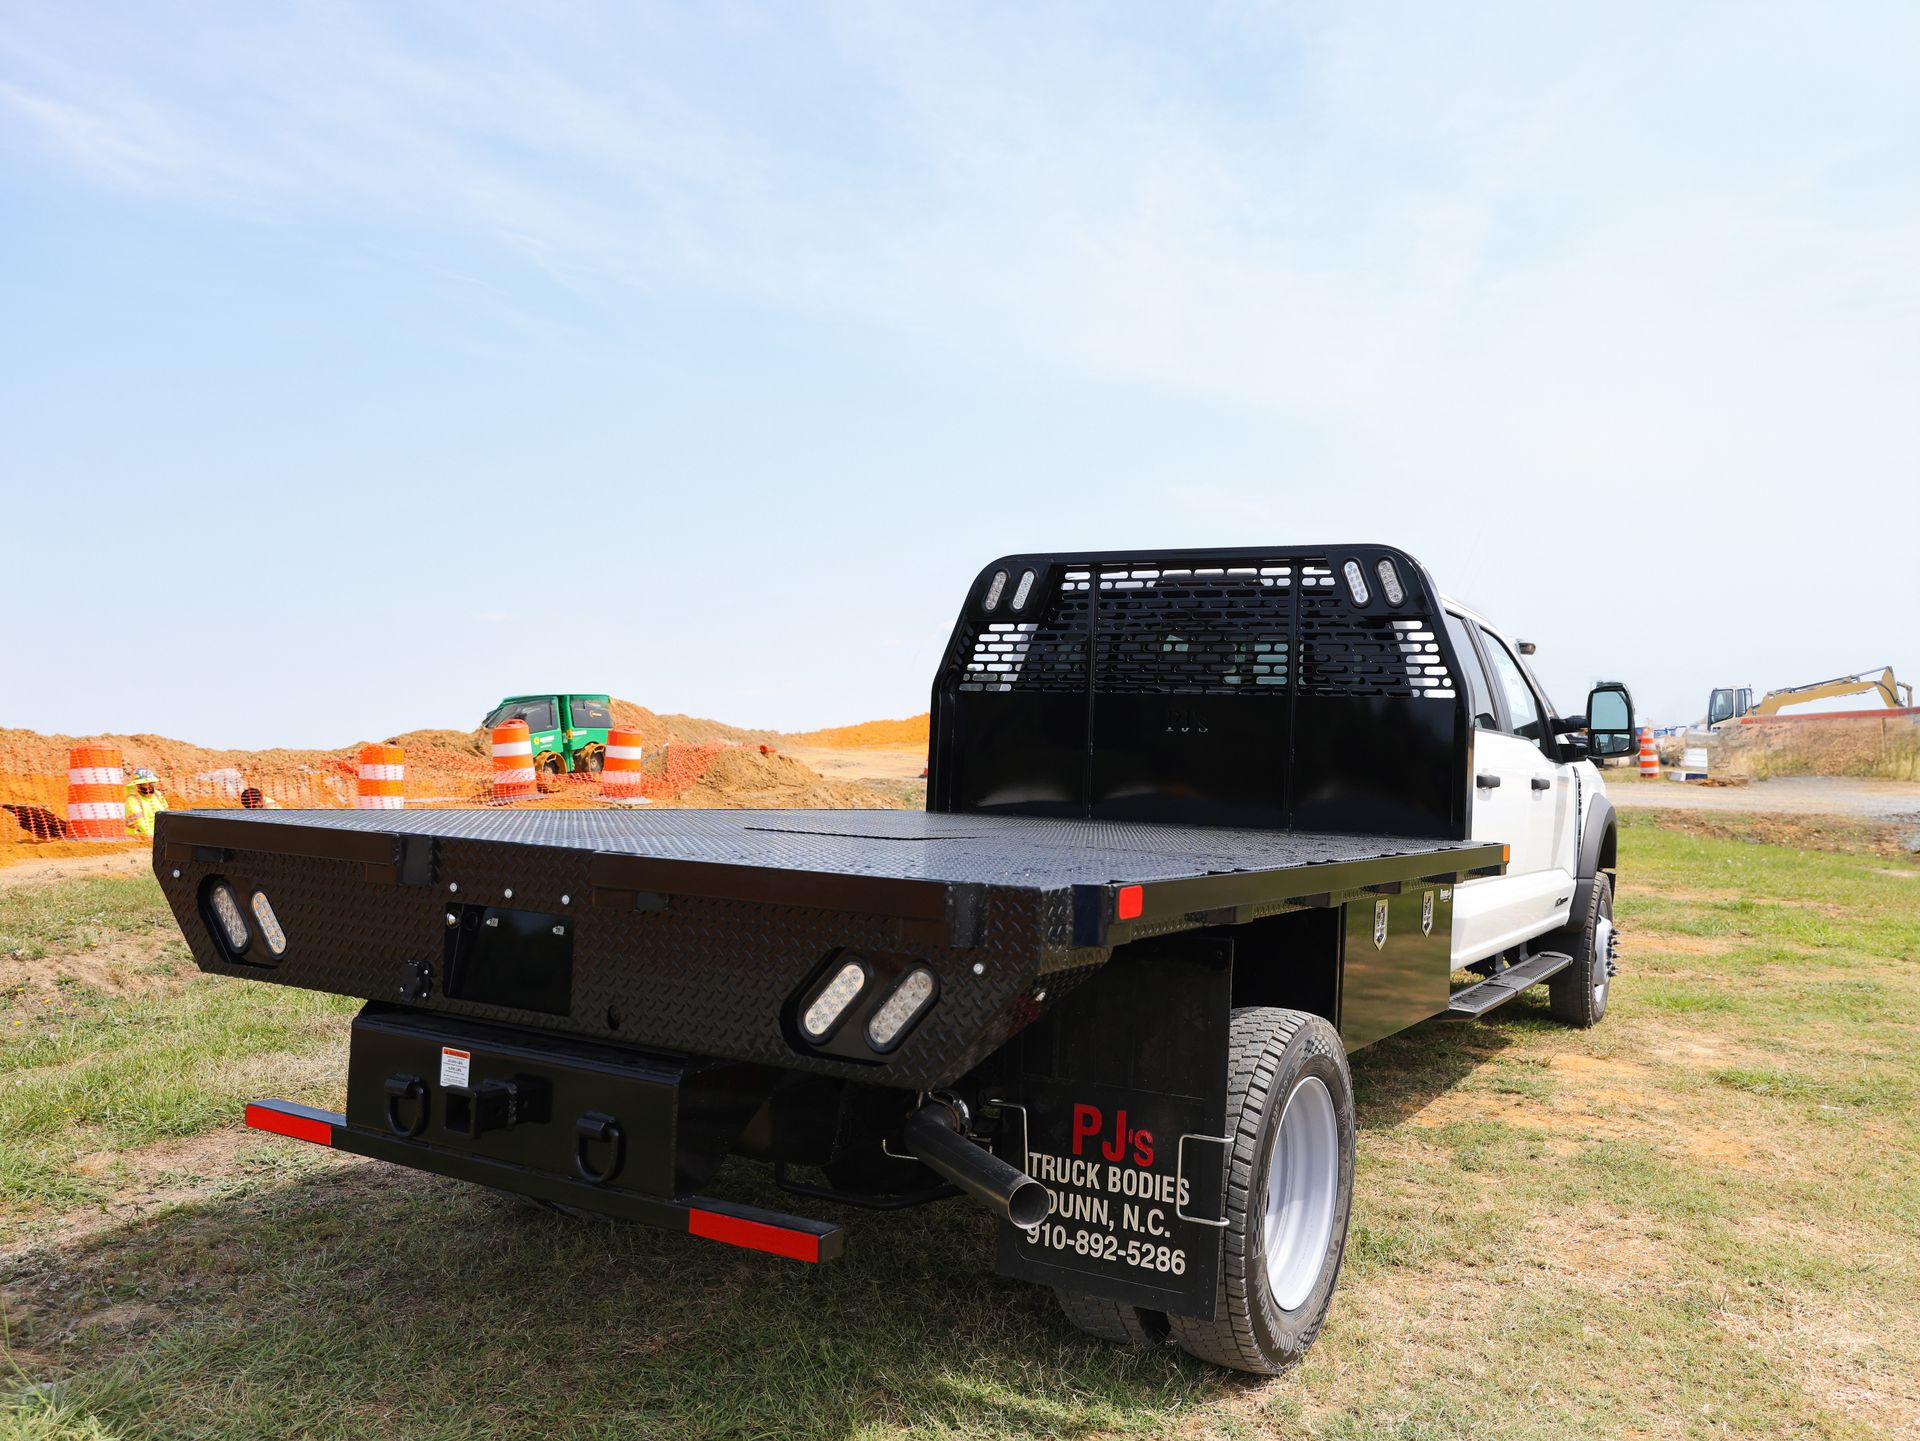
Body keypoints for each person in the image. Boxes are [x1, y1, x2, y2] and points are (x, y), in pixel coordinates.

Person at [124, 767, 170, 839]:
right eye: (143, 784)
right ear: (138, 785)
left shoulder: (158, 795)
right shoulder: (132, 799)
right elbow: (140, 822)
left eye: (150, 783)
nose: (147, 786)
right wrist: (151, 836)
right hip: (137, 838)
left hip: (157, 836)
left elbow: (167, 815)